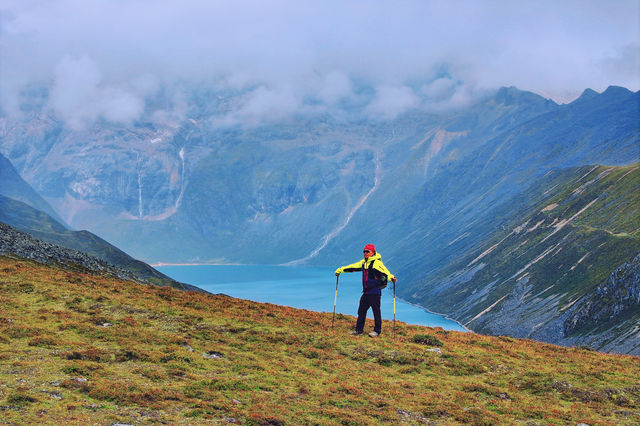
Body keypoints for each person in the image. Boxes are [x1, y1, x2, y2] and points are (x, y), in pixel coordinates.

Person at [334, 244, 397, 337]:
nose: (365, 253)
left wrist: (392, 278)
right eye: (364, 251)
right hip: (366, 292)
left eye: (368, 251)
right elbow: (353, 267)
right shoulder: (364, 263)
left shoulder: (376, 263)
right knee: (361, 311)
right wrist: (340, 270)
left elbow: (385, 272)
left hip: (375, 292)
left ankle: (377, 331)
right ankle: (359, 330)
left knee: (376, 311)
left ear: (373, 252)